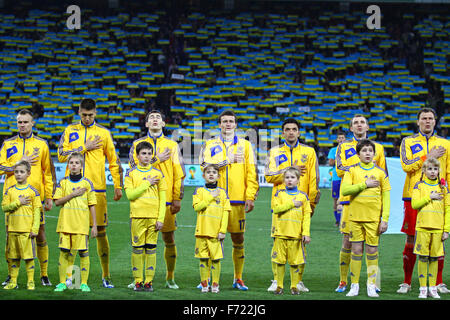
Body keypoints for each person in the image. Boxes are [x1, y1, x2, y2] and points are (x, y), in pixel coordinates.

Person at [58, 98, 123, 288]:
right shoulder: (70, 131)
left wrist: (117, 186)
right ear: (79, 112)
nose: (87, 118)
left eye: (90, 115)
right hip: (72, 189)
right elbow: (61, 155)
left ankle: (106, 275)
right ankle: (73, 279)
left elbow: (114, 161)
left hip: (97, 190)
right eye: (84, 115)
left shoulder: (103, 133)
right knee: (74, 235)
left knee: (101, 232)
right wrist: (83, 148)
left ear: (95, 113)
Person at [199, 109, 259, 290]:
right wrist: (227, 160)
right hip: (213, 199)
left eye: (231, 121)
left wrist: (250, 196)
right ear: (219, 124)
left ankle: (238, 278)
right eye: (224, 121)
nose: (227, 124)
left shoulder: (246, 146)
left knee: (238, 239)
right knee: (212, 239)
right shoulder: (209, 144)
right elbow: (204, 166)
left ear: (236, 124)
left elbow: (252, 172)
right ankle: (207, 278)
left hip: (237, 199)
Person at [128, 110, 185, 289]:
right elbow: (132, 169)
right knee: (140, 242)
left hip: (165, 201)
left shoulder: (172, 145)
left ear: (163, 124)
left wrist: (177, 197)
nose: (154, 120)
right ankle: (138, 278)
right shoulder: (136, 144)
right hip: (140, 201)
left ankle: (170, 278)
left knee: (169, 239)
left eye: (158, 118)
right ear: (146, 124)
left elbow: (178, 173)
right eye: (151, 118)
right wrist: (155, 160)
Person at [0, 109, 55, 287]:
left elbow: (48, 172)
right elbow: (0, 167)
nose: (22, 125)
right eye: (19, 122)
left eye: (25, 122)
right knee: (11, 238)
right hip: (12, 198)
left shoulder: (42, 144)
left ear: (33, 124)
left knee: (39, 234)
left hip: (34, 199)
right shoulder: (8, 144)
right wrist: (18, 162)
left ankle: (44, 274)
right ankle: (11, 275)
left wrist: (49, 196)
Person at [398, 107, 450, 294]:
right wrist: (427, 157)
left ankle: (438, 282)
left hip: (439, 196)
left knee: (438, 237)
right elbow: (406, 165)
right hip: (414, 196)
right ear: (418, 121)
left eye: (430, 118)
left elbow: (449, 171)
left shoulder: (446, 143)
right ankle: (406, 282)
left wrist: (448, 194)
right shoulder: (408, 141)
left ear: (435, 122)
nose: (427, 121)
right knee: (412, 237)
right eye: (424, 118)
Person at [265, 118, 320, 292]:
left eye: (294, 129)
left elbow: (314, 178)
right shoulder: (274, 152)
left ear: (298, 132)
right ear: (283, 133)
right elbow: (268, 176)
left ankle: (298, 281)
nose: (290, 132)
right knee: (277, 241)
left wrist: (311, 202)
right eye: (287, 129)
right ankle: (276, 280)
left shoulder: (309, 152)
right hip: (280, 205)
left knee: (301, 242)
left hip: (301, 204)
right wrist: (289, 168)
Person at [335, 114, 386, 293]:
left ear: (368, 127)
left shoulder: (378, 148)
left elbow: (382, 172)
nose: (359, 125)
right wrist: (359, 168)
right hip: (351, 201)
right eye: (355, 122)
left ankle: (374, 282)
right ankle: (344, 281)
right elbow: (339, 168)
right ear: (351, 128)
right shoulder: (343, 146)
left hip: (371, 203)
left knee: (373, 246)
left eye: (362, 122)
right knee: (348, 242)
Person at [341, 139, 390, 297]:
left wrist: (385, 219)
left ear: (374, 154)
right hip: (355, 218)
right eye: (364, 151)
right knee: (355, 250)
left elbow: (386, 197)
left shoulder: (381, 173)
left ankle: (371, 284)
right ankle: (354, 285)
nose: (367, 153)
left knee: (372, 251)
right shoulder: (351, 171)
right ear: (358, 154)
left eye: (370, 150)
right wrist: (365, 184)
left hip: (373, 219)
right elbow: (345, 190)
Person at [124, 141, 167, 292]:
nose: (147, 156)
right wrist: (147, 183)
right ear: (137, 156)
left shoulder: (158, 174)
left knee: (151, 249)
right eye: (144, 153)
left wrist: (161, 219)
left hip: (153, 218)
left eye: (149, 153)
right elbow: (130, 195)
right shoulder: (130, 173)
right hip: (137, 217)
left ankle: (148, 281)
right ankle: (138, 281)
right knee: (137, 249)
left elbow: (163, 199)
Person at [53, 152, 98, 293]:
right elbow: (57, 202)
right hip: (65, 224)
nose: (73, 165)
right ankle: (62, 282)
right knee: (64, 252)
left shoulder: (87, 183)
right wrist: (73, 194)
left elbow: (92, 205)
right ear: (68, 165)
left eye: (76, 163)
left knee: (83, 253)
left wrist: (94, 226)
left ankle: (83, 283)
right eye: (71, 163)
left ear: (81, 166)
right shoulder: (63, 182)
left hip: (81, 225)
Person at [411, 157, 450, 299]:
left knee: (434, 258)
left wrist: (446, 230)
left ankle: (433, 288)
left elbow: (448, 209)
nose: (432, 172)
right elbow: (414, 204)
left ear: (439, 170)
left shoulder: (443, 187)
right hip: (422, 227)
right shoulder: (419, 186)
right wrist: (430, 197)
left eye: (435, 169)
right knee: (422, 257)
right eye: (429, 169)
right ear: (424, 170)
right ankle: (423, 288)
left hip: (438, 229)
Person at [270, 167, 311, 295]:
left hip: (296, 235)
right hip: (281, 233)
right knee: (280, 261)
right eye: (287, 177)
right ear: (283, 180)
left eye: (292, 177)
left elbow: (306, 216)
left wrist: (306, 233)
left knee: (295, 262)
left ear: (298, 180)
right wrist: (292, 204)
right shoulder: (279, 194)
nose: (289, 180)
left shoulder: (303, 196)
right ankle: (279, 286)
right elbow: (276, 209)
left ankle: (294, 286)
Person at [2, 160, 41, 290]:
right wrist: (18, 202)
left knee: (29, 258)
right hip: (13, 229)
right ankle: (13, 281)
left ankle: (31, 281)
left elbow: (37, 212)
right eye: (16, 172)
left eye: (21, 172)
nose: (18, 174)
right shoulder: (10, 191)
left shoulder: (33, 192)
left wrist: (35, 228)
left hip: (27, 231)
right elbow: (4, 208)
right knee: (13, 257)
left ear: (28, 173)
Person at [193, 164, 231, 294]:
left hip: (216, 233)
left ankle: (215, 284)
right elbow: (197, 207)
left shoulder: (223, 193)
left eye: (214, 172)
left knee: (216, 259)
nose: (211, 174)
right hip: (202, 231)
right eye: (208, 172)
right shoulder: (199, 191)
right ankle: (204, 284)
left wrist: (223, 230)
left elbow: (226, 212)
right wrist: (210, 197)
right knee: (203, 258)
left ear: (218, 176)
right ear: (203, 176)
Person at [327, 131, 347, 226]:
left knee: (346, 198)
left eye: (343, 138)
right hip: (336, 178)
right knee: (336, 199)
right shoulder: (333, 150)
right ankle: (337, 220)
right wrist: (341, 160)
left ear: (345, 139)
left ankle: (345, 219)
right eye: (339, 138)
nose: (341, 139)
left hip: (347, 178)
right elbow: (330, 163)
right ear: (337, 140)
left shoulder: (349, 149)